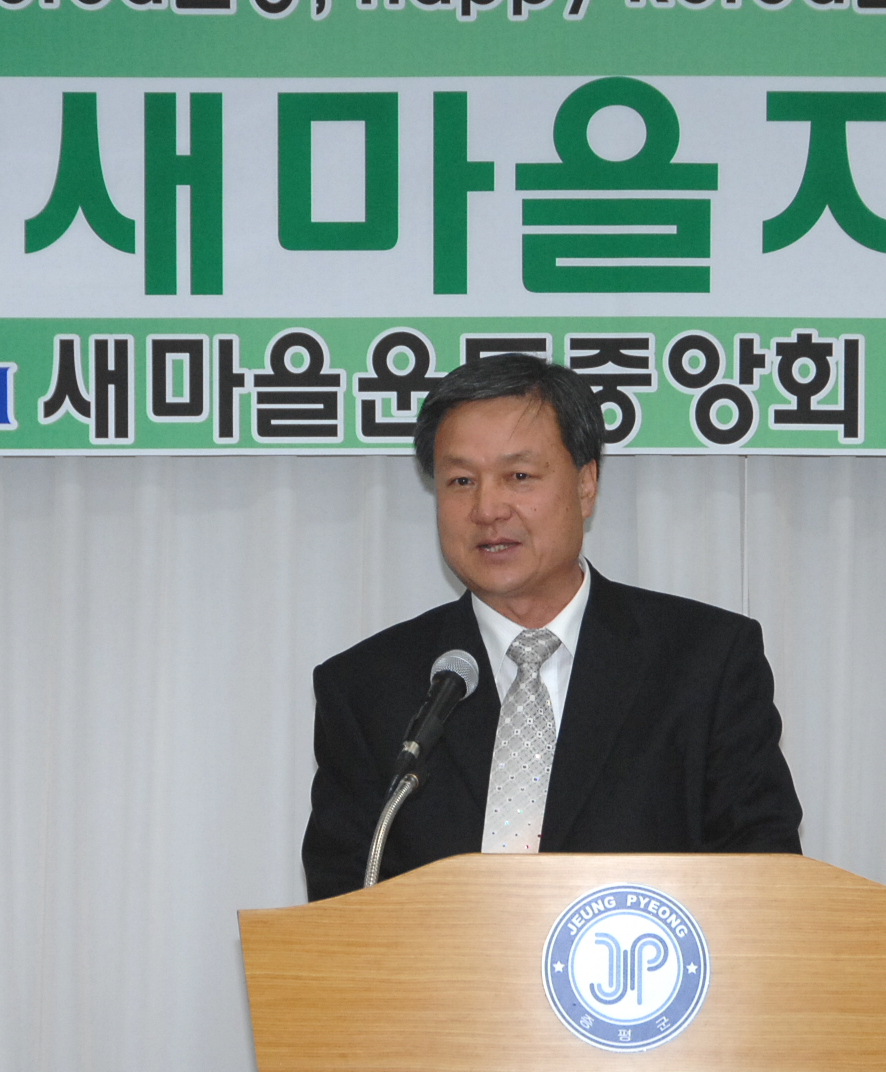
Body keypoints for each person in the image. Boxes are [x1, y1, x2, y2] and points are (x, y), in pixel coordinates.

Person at [301, 353, 803, 900]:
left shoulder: (706, 663)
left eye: (518, 477)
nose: (488, 509)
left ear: (586, 484)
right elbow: (340, 908)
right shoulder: (366, 689)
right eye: (461, 480)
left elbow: (765, 884)